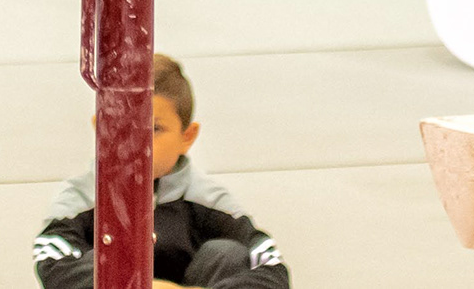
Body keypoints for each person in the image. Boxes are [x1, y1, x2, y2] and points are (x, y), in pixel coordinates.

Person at [28, 53, 292, 289]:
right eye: (122, 126)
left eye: (155, 129)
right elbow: (53, 264)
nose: (136, 143)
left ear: (187, 136)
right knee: (99, 263)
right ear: (101, 129)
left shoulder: (208, 199)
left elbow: (272, 269)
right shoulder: (81, 196)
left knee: (227, 254)